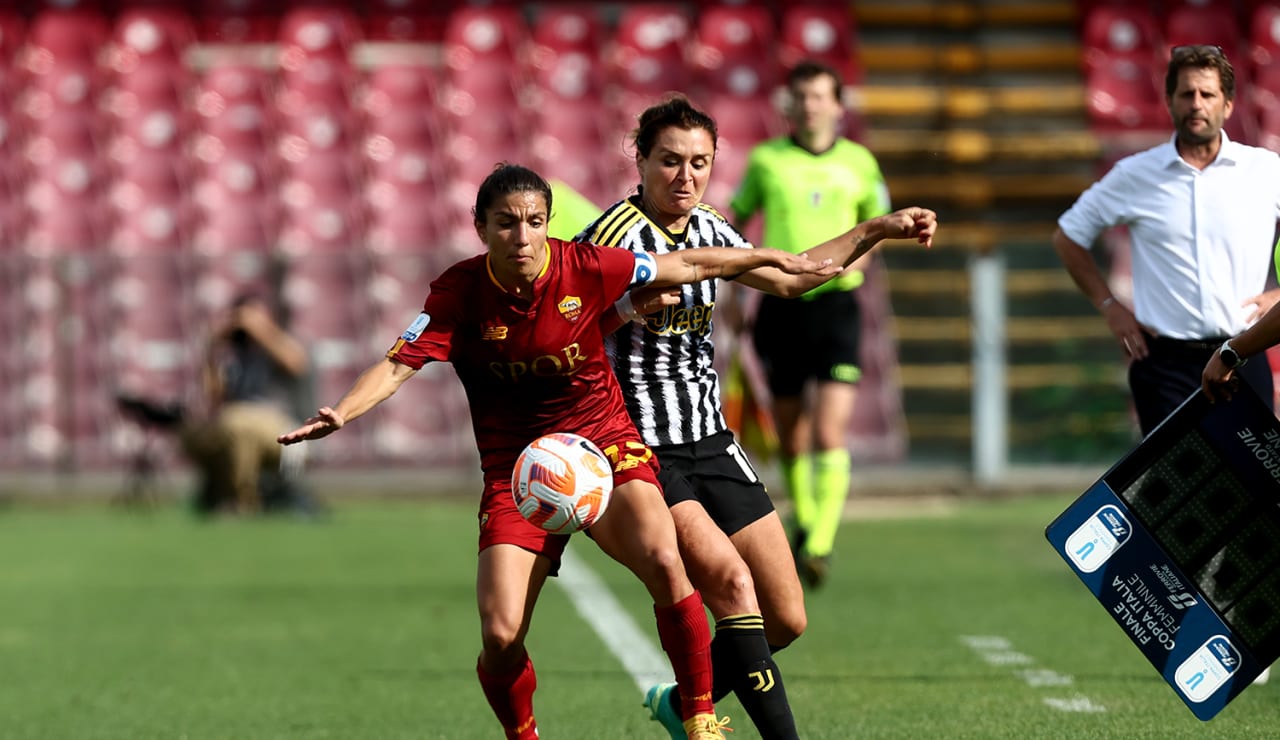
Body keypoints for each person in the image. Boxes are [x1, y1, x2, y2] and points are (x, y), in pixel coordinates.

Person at [277, 164, 839, 740]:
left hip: (604, 447)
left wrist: (772, 258)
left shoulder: (582, 266)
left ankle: (699, 719)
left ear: (549, 225)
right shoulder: (458, 293)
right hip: (516, 473)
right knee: (499, 634)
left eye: (534, 222)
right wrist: (342, 412)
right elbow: (398, 364)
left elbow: (692, 263)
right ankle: (523, 735)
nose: (522, 237)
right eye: (506, 224)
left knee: (666, 560)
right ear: (480, 227)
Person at [576, 95, 936, 739]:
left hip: (710, 439)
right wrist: (626, 311)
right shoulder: (609, 237)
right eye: (669, 161)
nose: (685, 177)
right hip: (638, 446)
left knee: (786, 617)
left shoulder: (712, 226)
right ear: (640, 159)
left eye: (700, 163)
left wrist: (875, 228)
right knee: (733, 588)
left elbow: (793, 279)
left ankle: (683, 699)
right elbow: (563, 331)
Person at [1053, 44, 1280, 438]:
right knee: (1172, 495)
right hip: (1165, 367)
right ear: (1169, 102)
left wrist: (1278, 296)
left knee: (1256, 494)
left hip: (1242, 355)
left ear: (1227, 105)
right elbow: (1068, 236)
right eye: (1186, 94)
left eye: (1207, 94)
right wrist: (1110, 307)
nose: (1196, 104)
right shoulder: (1135, 174)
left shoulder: (1265, 170)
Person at [730, 60, 893, 589]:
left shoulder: (860, 162)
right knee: (791, 434)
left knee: (829, 430)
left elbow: (878, 222)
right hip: (779, 306)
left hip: (837, 307)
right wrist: (733, 284)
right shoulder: (766, 160)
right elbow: (734, 221)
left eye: (819, 96)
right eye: (800, 96)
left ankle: (820, 541)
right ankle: (804, 519)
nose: (809, 105)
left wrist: (861, 259)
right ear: (789, 104)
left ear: (838, 105)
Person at [118, 291, 318, 516]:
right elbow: (214, 399)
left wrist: (261, 330)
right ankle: (216, 493)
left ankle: (243, 503)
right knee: (195, 432)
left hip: (288, 429)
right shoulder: (237, 357)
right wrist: (212, 348)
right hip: (236, 424)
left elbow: (295, 363)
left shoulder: (288, 341)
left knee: (238, 423)